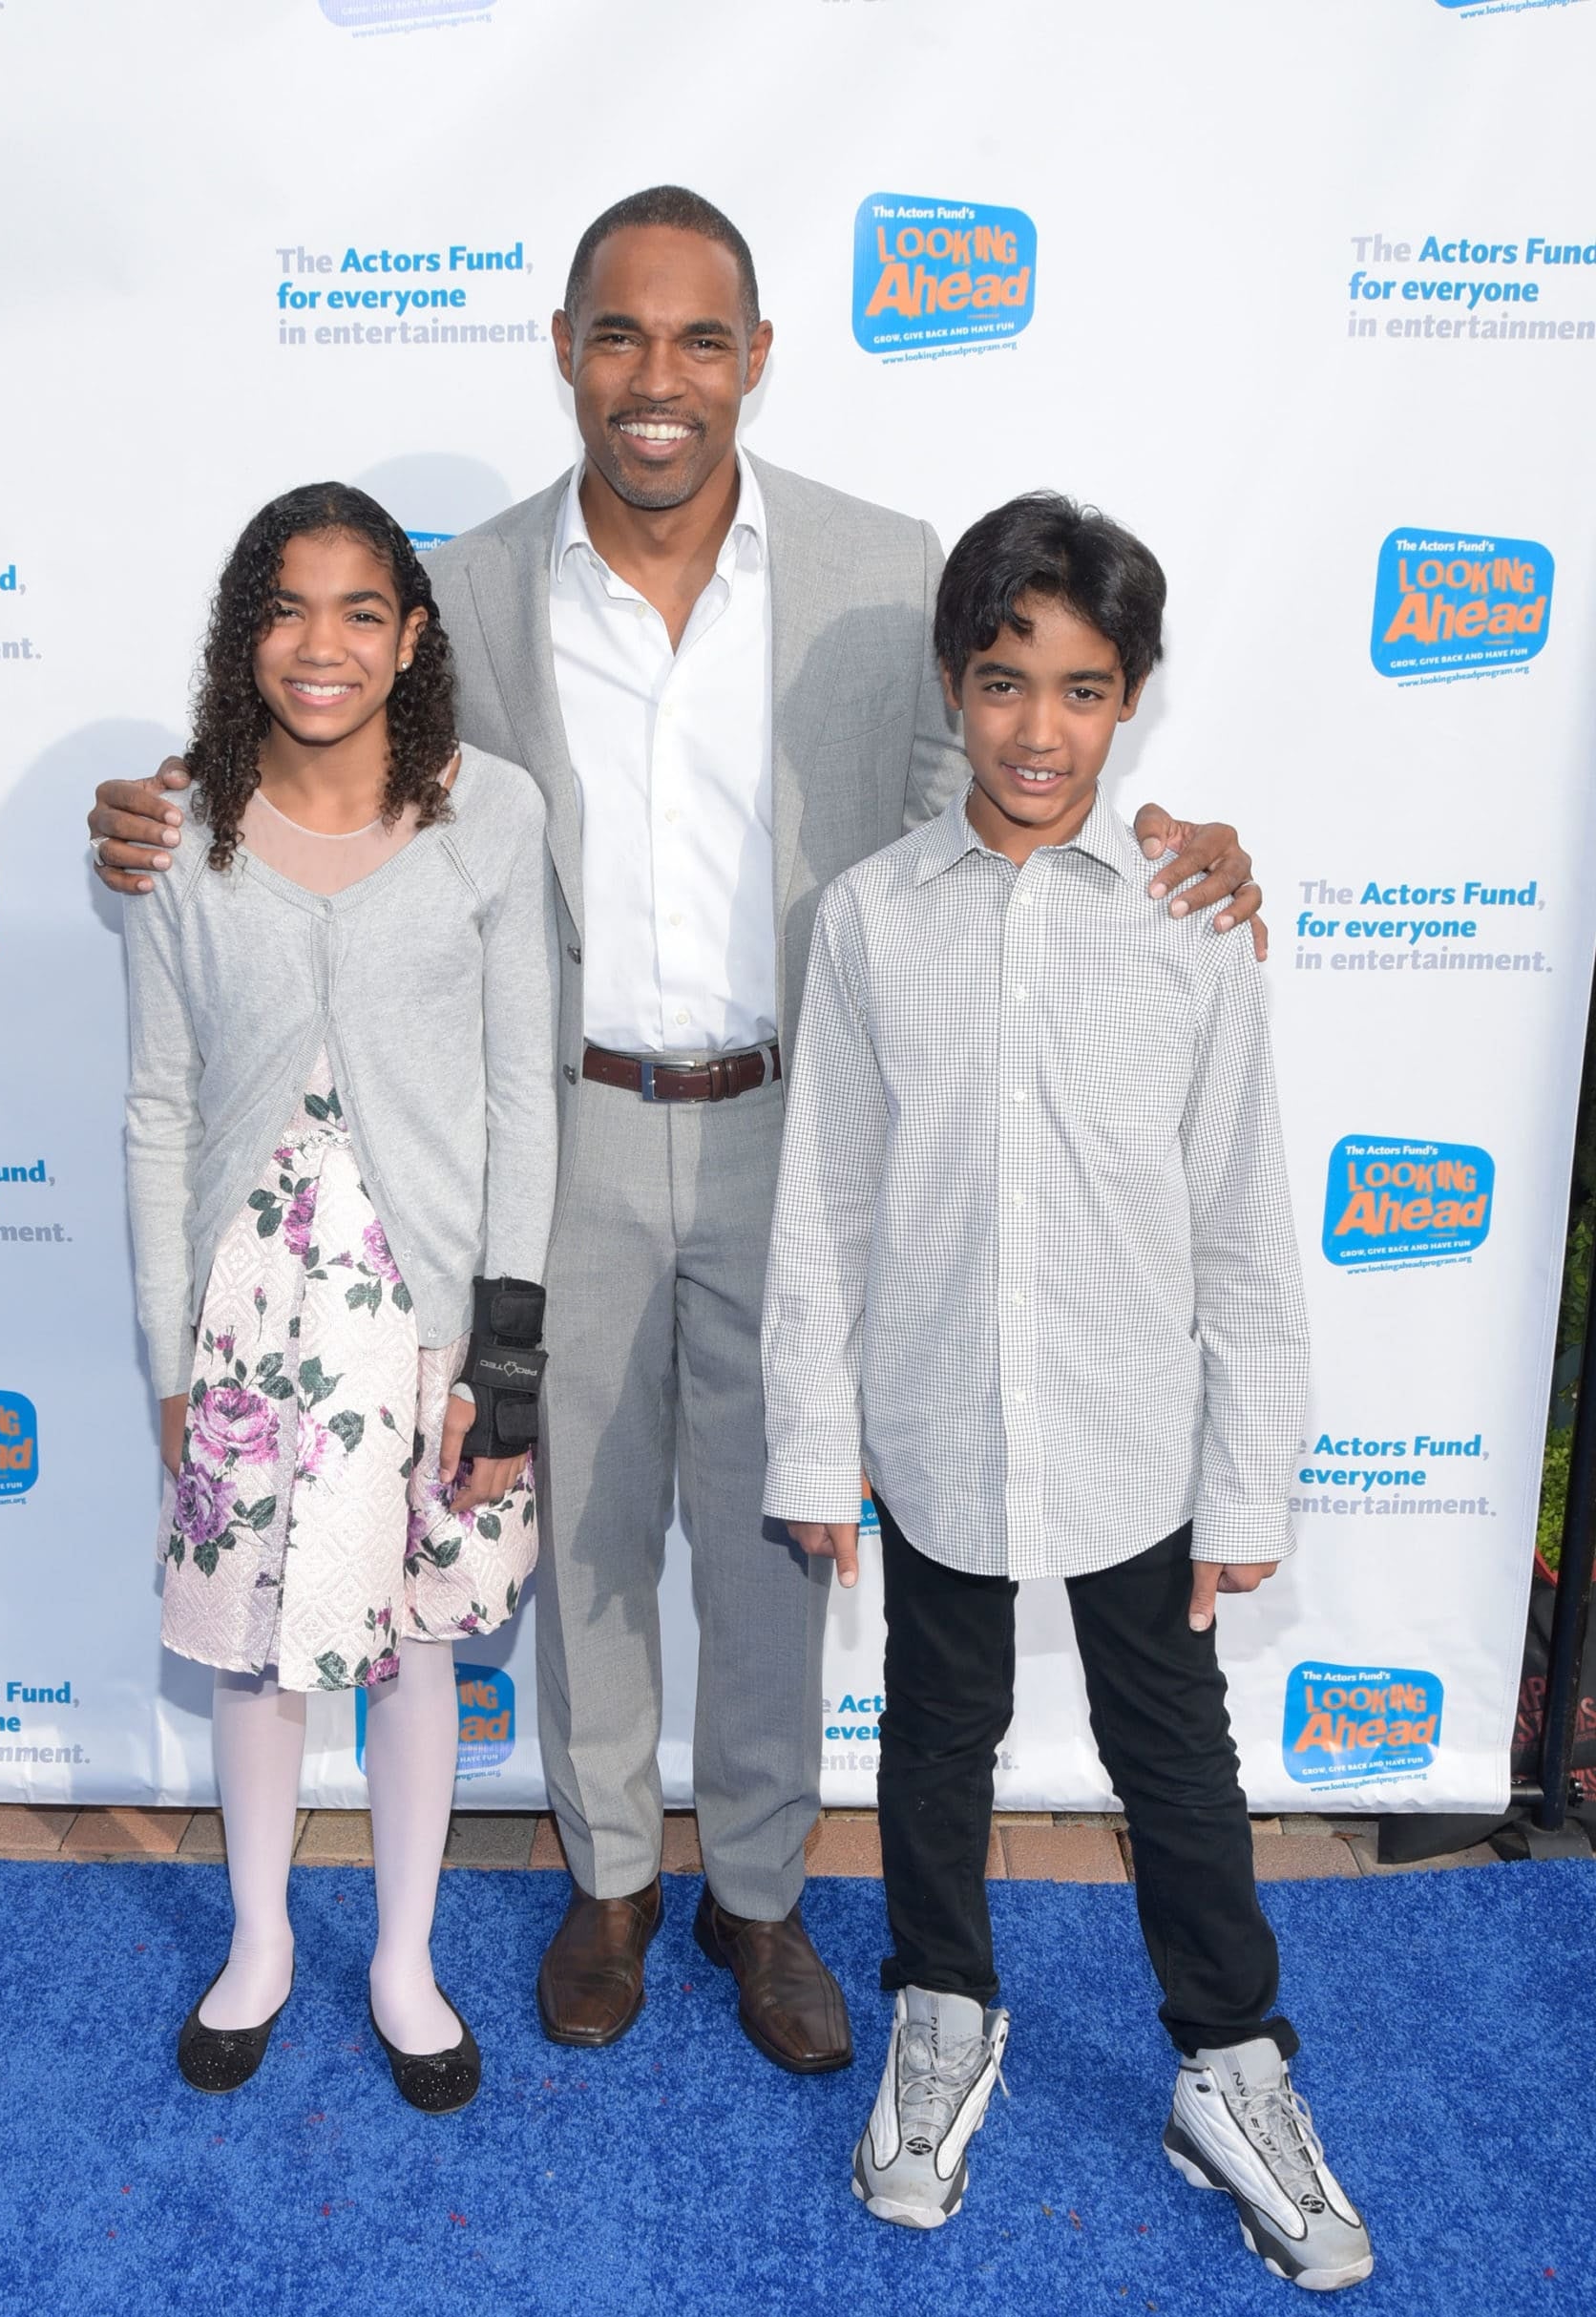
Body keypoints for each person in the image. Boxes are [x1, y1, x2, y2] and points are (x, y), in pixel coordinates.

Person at [90, 188, 1268, 2081]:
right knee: (586, 1531)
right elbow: (325, 754)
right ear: (564, 350)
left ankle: (765, 1895)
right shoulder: (469, 582)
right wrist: (167, 800)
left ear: (757, 359)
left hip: (802, 1127)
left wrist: (1168, 841)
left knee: (779, 1534)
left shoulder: (884, 574)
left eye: (701, 338)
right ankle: (614, 1878)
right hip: (557, 1128)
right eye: (621, 335)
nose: (661, 377)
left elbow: (986, 813)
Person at [764, 493, 1371, 2289]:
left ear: (1133, 700)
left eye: (1085, 690)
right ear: (954, 687)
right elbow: (824, 1204)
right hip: (940, 1412)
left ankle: (1231, 2064)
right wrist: (815, 1440)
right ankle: (942, 2010)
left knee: (1173, 1751)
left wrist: (1248, 1477)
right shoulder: (870, 921)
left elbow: (1245, 1220)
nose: (1041, 730)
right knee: (934, 1735)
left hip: (1133, 1430)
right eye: (1005, 682)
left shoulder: (1190, 922)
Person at [124, 481, 556, 2114]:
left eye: (361, 610)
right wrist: (169, 1352)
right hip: (247, 1317)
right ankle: (259, 1943)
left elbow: (524, 1096)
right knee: (252, 1651)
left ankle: (404, 1960)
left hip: (427, 1318)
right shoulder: (182, 831)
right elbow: (158, 1109)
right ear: (245, 634)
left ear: (412, 635)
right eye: (286, 609)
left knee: (418, 1642)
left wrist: (505, 1351)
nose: (323, 645)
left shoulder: (490, 814)